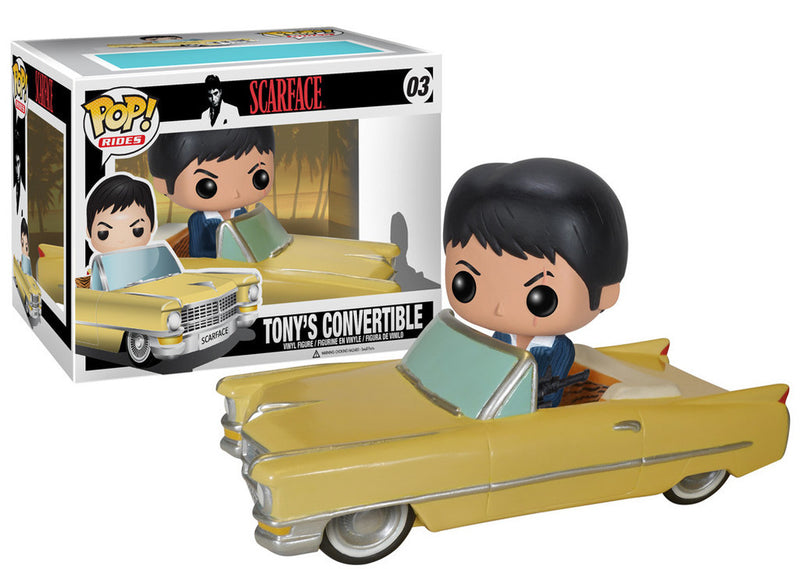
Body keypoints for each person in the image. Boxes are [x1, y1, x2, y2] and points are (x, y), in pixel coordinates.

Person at [443, 158, 628, 408]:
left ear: (607, 293)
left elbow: (543, 400)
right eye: (465, 284)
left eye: (541, 297)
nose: (500, 308)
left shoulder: (557, 350)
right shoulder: (500, 338)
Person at [148, 126, 275, 258]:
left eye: (259, 177)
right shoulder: (200, 221)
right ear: (162, 184)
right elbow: (199, 252)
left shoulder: (241, 213)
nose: (235, 194)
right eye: (206, 187)